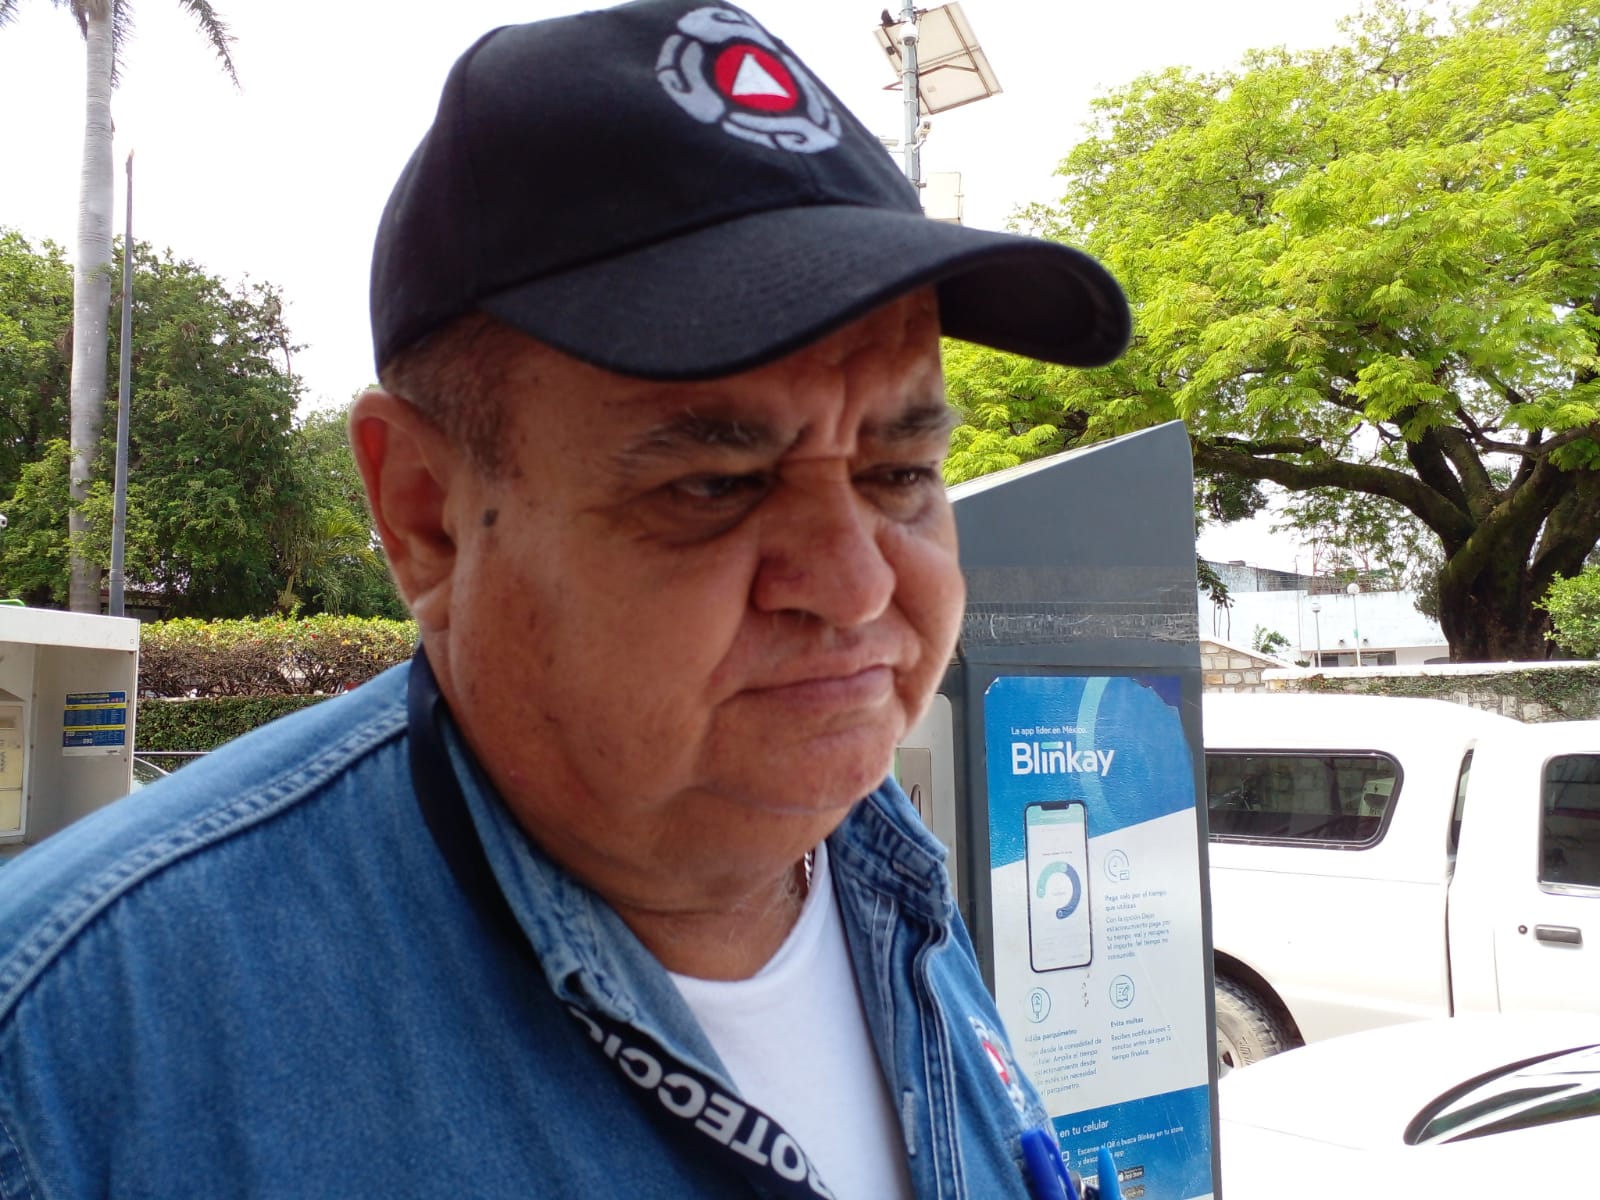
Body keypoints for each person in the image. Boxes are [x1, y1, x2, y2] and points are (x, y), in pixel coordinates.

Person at [0, 3, 1129, 1196]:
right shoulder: (67, 1072)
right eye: (715, 485)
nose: (856, 588)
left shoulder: (889, 880)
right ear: (426, 514)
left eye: (899, 474)